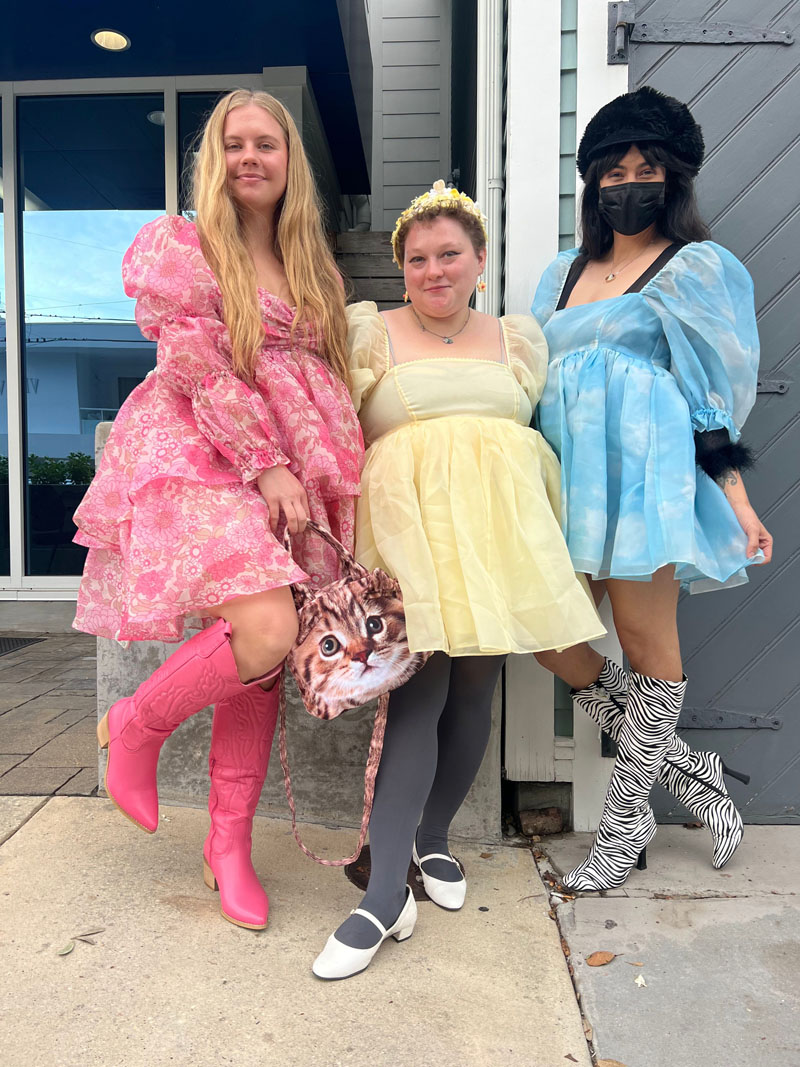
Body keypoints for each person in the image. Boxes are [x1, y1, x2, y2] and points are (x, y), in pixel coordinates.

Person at [72, 90, 363, 930]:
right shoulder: (188, 245)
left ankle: (227, 845)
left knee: (261, 651)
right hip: (209, 446)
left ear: (289, 159)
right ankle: (135, 723)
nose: (248, 158)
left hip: (295, 464)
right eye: (232, 144)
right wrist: (267, 463)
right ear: (214, 159)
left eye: (265, 143)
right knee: (266, 627)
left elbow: (331, 374)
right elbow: (195, 360)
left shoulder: (314, 263)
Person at [312, 181, 605, 979]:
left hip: (497, 536)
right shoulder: (371, 332)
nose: (434, 270)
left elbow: (537, 431)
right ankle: (380, 893)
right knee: (421, 694)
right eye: (417, 259)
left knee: (477, 692)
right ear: (401, 268)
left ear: (479, 259)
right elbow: (338, 427)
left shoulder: (516, 338)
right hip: (410, 538)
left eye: (450, 255)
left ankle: (434, 837)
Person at [530, 87, 773, 893]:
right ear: (592, 180)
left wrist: (735, 498)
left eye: (647, 168)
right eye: (614, 170)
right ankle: (690, 767)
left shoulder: (695, 268)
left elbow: (710, 399)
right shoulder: (557, 276)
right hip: (568, 481)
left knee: (646, 651)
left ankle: (625, 822)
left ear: (673, 179)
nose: (629, 182)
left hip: (643, 483)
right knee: (546, 634)